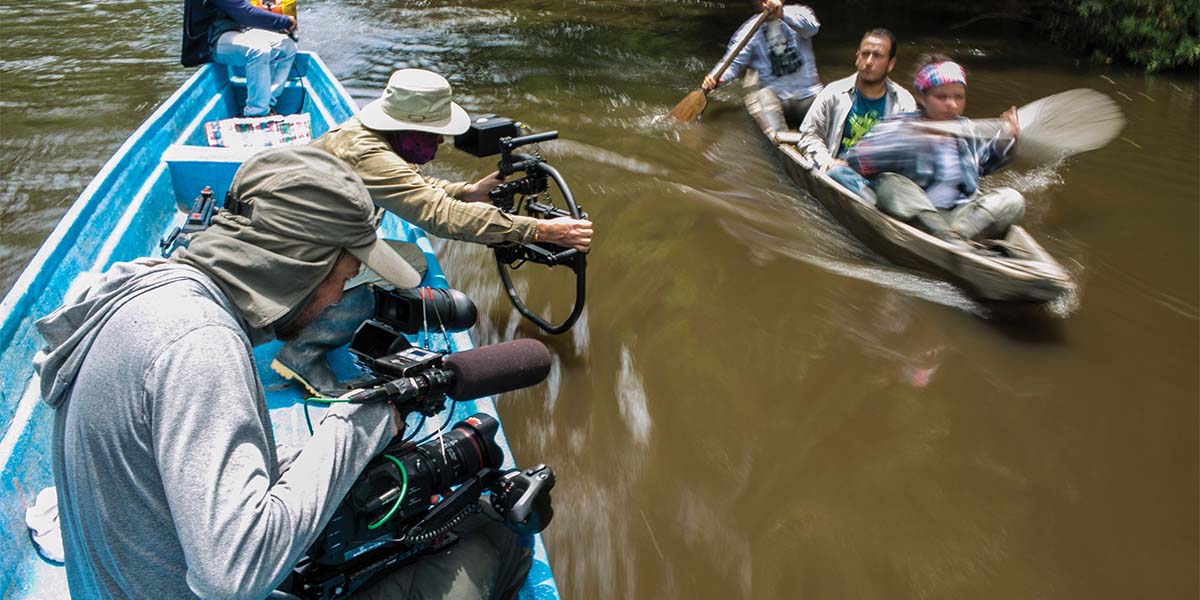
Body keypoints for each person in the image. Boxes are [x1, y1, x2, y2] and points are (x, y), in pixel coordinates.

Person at [34, 146, 530, 599]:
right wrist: (360, 425)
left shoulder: (147, 290)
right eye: (342, 278)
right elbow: (232, 577)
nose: (339, 298)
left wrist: (316, 459)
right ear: (300, 262)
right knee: (496, 539)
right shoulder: (200, 344)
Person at [271, 68, 593, 396]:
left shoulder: (366, 135)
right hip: (290, 265)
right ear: (405, 128)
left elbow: (412, 183)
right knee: (388, 277)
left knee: (411, 260)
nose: (441, 141)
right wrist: (540, 230)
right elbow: (442, 217)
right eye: (433, 133)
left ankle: (333, 314)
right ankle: (303, 353)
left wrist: (468, 191)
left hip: (299, 241)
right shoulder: (370, 156)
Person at [840, 55, 1026, 245]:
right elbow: (856, 158)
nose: (952, 104)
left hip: (959, 220)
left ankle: (955, 239)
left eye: (958, 97)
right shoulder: (901, 126)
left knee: (1012, 199)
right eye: (941, 97)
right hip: (915, 216)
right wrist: (912, 141)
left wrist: (1005, 141)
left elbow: (984, 165)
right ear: (922, 97)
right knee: (891, 183)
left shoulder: (966, 129)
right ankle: (949, 240)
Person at [796, 28, 916, 176]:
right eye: (865, 54)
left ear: (891, 64)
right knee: (836, 172)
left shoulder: (904, 102)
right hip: (840, 173)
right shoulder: (834, 93)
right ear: (857, 57)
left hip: (883, 179)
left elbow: (910, 152)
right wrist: (825, 160)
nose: (869, 62)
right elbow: (809, 135)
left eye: (877, 56)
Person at [701, 0, 823, 133]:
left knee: (831, 99)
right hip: (776, 100)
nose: (767, 4)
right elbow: (733, 63)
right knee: (764, 95)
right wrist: (717, 78)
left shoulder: (799, 13)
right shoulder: (748, 31)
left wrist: (782, 15)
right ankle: (781, 139)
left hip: (809, 95)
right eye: (762, 1)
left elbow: (812, 29)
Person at [182, 0, 298, 117]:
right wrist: (286, 22)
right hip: (210, 42)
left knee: (286, 46)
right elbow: (246, 14)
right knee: (258, 49)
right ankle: (257, 113)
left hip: (233, 32)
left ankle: (267, 101)